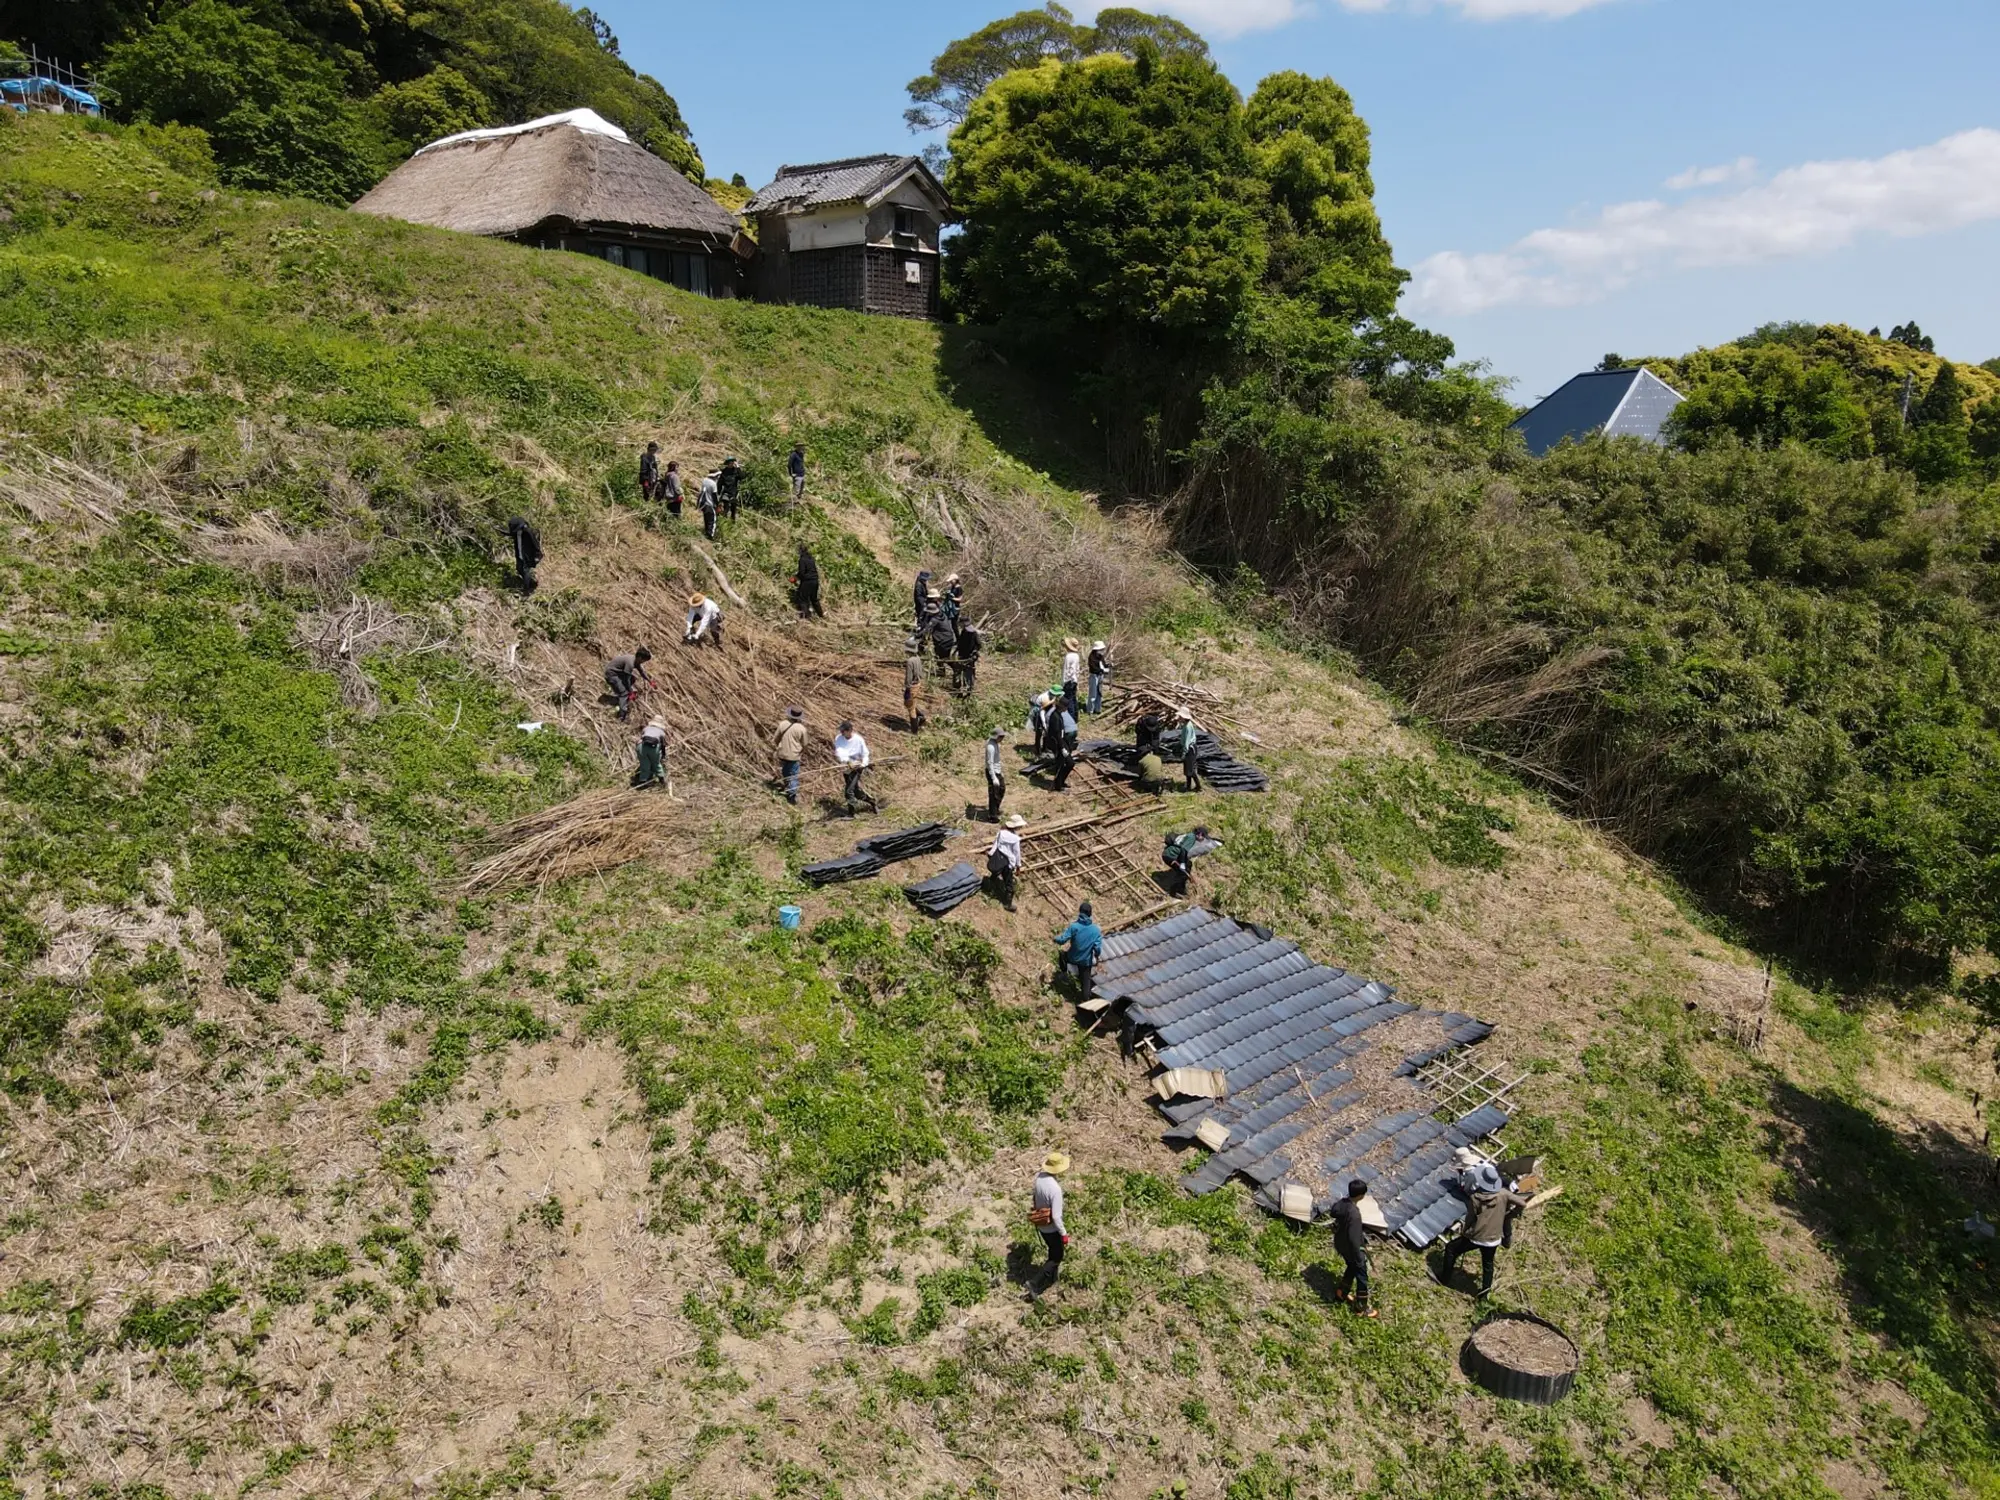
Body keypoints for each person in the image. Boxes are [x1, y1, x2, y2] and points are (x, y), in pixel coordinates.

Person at [1435, 1163, 1532, 1295]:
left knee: (1451, 1249)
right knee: (1488, 1264)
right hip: (1494, 1237)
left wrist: (1465, 1231)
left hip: (1477, 1236)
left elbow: (1470, 1218)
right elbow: (1522, 1203)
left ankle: (1444, 1279)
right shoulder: (1504, 1194)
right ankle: (1484, 1294)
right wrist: (1510, 1215)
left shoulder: (1475, 1198)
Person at [1329, 1179, 1377, 1318]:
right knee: (1362, 1275)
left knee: (1351, 1267)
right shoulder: (1354, 1214)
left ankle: (1342, 1292)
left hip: (1340, 1244)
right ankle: (1361, 1307)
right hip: (1352, 1248)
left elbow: (1333, 1212)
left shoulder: (1341, 1204)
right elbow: (1354, 1237)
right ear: (1361, 1195)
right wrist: (1359, 1256)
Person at [1028, 1151, 1070, 1298]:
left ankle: (1053, 1279)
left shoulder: (1040, 1178)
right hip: (1051, 1228)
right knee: (1056, 1257)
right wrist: (1064, 1233)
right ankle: (1034, 1283)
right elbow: (1056, 1216)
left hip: (1041, 1224)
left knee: (1053, 1251)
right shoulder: (1055, 1189)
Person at [1052, 901, 1103, 1001]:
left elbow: (1062, 940)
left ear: (1080, 912)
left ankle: (1064, 974)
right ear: (1090, 914)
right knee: (1086, 983)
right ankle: (1085, 1000)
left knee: (1062, 954)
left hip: (1072, 958)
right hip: (1086, 962)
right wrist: (1097, 956)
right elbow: (1097, 949)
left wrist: (1055, 939)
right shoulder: (1096, 930)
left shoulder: (1074, 926)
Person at [1162, 825, 1223, 895]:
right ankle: (1174, 892)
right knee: (1183, 873)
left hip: (1172, 854)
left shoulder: (1190, 836)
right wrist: (1182, 863)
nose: (1203, 839)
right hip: (1170, 856)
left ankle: (1181, 889)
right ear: (1200, 834)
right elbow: (1183, 849)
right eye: (1203, 837)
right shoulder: (1191, 838)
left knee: (1188, 864)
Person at [834, 719, 877, 813]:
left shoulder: (858, 740)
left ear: (849, 730)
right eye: (841, 731)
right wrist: (847, 761)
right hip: (846, 767)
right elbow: (839, 751)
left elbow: (865, 754)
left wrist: (863, 764)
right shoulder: (839, 738)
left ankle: (851, 813)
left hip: (857, 767)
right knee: (856, 792)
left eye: (843, 731)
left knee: (849, 791)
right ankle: (872, 801)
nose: (841, 733)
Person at [603, 646, 652, 720]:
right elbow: (626, 679)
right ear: (639, 657)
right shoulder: (630, 663)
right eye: (643, 660)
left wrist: (649, 681)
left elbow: (641, 672)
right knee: (624, 693)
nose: (643, 662)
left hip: (618, 673)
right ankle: (621, 714)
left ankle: (619, 693)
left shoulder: (635, 660)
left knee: (633, 679)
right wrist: (630, 691)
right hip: (611, 675)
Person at [988, 813, 1025, 908]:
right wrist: (1018, 866)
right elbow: (1017, 853)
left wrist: (991, 854)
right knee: (1009, 884)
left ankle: (989, 886)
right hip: (1008, 863)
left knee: (996, 873)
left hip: (998, 858)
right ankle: (1007, 904)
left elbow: (995, 845)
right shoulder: (1015, 839)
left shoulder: (1001, 833)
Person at [774, 707, 807, 805]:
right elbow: (805, 744)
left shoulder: (782, 724)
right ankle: (792, 795)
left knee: (785, 771)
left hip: (782, 753)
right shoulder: (802, 729)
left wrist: (780, 747)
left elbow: (776, 739)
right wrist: (801, 752)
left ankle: (787, 787)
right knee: (793, 775)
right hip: (794, 755)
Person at [507, 515, 542, 594]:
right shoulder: (516, 533)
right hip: (519, 554)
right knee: (519, 568)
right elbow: (511, 534)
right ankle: (531, 581)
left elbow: (535, 544)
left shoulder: (528, 532)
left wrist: (537, 555)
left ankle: (527, 589)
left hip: (527, 556)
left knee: (525, 571)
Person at [632, 717, 668, 789]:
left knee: (644, 764)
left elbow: (641, 738)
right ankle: (662, 782)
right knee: (656, 764)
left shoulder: (646, 728)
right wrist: (663, 755)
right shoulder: (661, 732)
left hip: (641, 747)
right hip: (653, 748)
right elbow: (663, 745)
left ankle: (642, 783)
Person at [1172, 708, 1202, 792]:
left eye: (1180, 716)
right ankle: (1188, 787)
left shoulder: (1187, 727)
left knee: (1190, 770)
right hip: (1189, 749)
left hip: (1190, 750)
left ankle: (1198, 787)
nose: (1179, 718)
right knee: (1187, 770)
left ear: (1183, 717)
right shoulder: (1186, 725)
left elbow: (1187, 742)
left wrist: (1184, 753)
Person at [1052, 701, 1079, 790]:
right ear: (1062, 706)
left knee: (1068, 763)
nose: (1067, 709)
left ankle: (1061, 782)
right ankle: (1058, 786)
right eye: (1066, 707)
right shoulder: (1055, 717)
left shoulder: (1059, 714)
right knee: (1062, 764)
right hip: (1058, 743)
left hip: (1063, 741)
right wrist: (1062, 748)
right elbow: (1057, 735)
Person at [792, 544, 823, 619]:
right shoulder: (811, 559)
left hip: (807, 581)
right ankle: (821, 615)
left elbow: (802, 572)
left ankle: (806, 617)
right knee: (814, 599)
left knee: (803, 599)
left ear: (800, 551)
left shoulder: (802, 559)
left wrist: (795, 578)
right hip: (815, 581)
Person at [903, 634, 927, 731]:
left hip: (912, 685)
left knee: (910, 707)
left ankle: (914, 730)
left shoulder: (910, 661)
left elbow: (908, 677)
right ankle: (921, 716)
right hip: (918, 683)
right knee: (912, 703)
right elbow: (920, 672)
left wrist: (907, 688)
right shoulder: (917, 658)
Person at [984, 726, 1007, 821]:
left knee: (1001, 789)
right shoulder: (990, 747)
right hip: (992, 772)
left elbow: (997, 760)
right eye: (1000, 737)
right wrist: (993, 777)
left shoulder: (995, 744)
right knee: (994, 794)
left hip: (997, 771)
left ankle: (995, 809)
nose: (1002, 739)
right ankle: (992, 816)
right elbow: (990, 763)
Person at [952, 623, 981, 694]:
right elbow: (960, 643)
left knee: (968, 673)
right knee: (957, 672)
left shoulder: (974, 633)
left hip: (970, 657)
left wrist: (974, 652)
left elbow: (979, 645)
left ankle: (969, 689)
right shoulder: (963, 632)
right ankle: (957, 689)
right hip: (962, 656)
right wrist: (956, 650)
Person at [1087, 640, 1111, 715]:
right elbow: (1093, 668)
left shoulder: (1100, 656)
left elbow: (1103, 664)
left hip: (1100, 676)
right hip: (1094, 676)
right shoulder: (1091, 657)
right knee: (1093, 693)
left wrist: (1108, 665)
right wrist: (1102, 670)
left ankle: (1097, 709)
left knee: (1099, 693)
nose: (1102, 650)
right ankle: (1090, 710)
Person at [698, 471, 720, 540]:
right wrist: (717, 505)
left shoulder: (705, 480)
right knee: (712, 520)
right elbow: (714, 496)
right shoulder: (713, 484)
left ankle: (706, 532)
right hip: (710, 504)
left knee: (706, 518)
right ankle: (710, 535)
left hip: (704, 504)